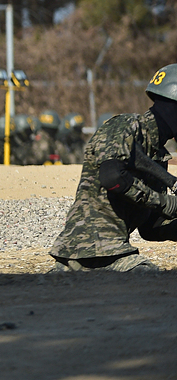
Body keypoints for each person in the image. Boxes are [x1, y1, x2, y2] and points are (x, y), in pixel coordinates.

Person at [49, 64, 177, 272]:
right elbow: (112, 177)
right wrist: (165, 201)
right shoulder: (125, 126)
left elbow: (150, 227)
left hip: (112, 253)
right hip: (95, 250)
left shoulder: (158, 153)